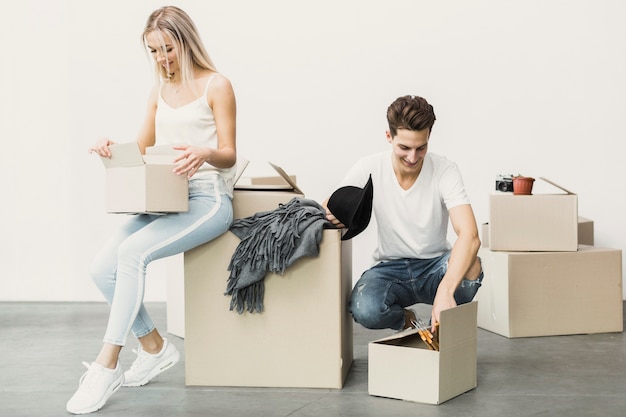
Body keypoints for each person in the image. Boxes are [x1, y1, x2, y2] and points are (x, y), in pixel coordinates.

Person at [66, 6, 237, 414]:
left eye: (168, 49)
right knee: (100, 268)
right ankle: (155, 347)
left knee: (131, 255)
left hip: (209, 200)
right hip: (166, 197)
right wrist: (111, 147)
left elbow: (229, 155)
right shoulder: (157, 91)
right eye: (154, 51)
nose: (163, 59)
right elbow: (140, 149)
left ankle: (107, 365)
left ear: (186, 41)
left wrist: (205, 152)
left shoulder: (217, 85)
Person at [323, 95, 483, 334]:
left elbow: (470, 234)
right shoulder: (369, 167)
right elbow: (330, 205)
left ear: (429, 137)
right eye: (404, 148)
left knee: (472, 267)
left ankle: (440, 320)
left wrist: (445, 291)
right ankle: (409, 323)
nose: (412, 157)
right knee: (365, 309)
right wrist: (333, 212)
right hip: (390, 269)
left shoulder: (444, 170)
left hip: (435, 267)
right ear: (389, 137)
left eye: (421, 147)